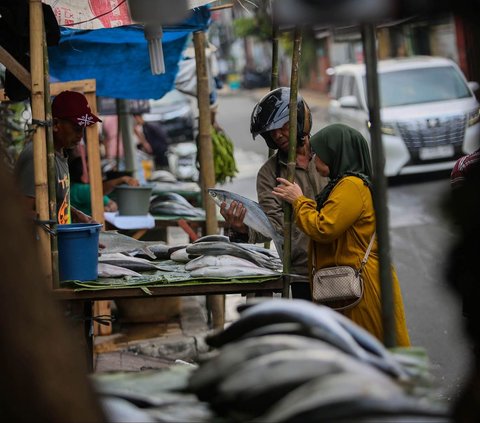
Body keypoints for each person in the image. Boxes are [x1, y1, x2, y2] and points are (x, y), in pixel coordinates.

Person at [272, 123, 410, 346]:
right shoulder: (342, 185)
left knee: (373, 356)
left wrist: (298, 200)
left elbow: (323, 227)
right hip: (352, 287)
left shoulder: (351, 186)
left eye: (319, 154)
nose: (314, 160)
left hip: (364, 290)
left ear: (336, 153)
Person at [220, 87, 328, 300]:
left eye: (283, 126)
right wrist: (242, 228)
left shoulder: (330, 152)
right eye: (272, 131)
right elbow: (274, 227)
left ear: (299, 119)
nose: (277, 134)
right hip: (302, 275)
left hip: (345, 263)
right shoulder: (270, 174)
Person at [15, 90, 101, 224]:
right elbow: (20, 211)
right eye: (76, 128)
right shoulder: (38, 157)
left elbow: (52, 202)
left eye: (83, 129)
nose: (80, 135)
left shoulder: (60, 152)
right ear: (56, 124)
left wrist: (75, 213)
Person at [69, 154, 139, 216]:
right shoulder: (80, 189)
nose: (98, 172)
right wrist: (122, 179)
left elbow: (113, 205)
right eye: (92, 169)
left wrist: (108, 207)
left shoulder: (77, 188)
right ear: (83, 174)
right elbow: (100, 191)